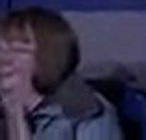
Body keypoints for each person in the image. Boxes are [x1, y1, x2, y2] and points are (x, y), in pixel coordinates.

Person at [0, 7, 122, 140]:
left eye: (18, 50)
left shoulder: (84, 117)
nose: (4, 58)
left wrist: (15, 115)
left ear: (48, 57)